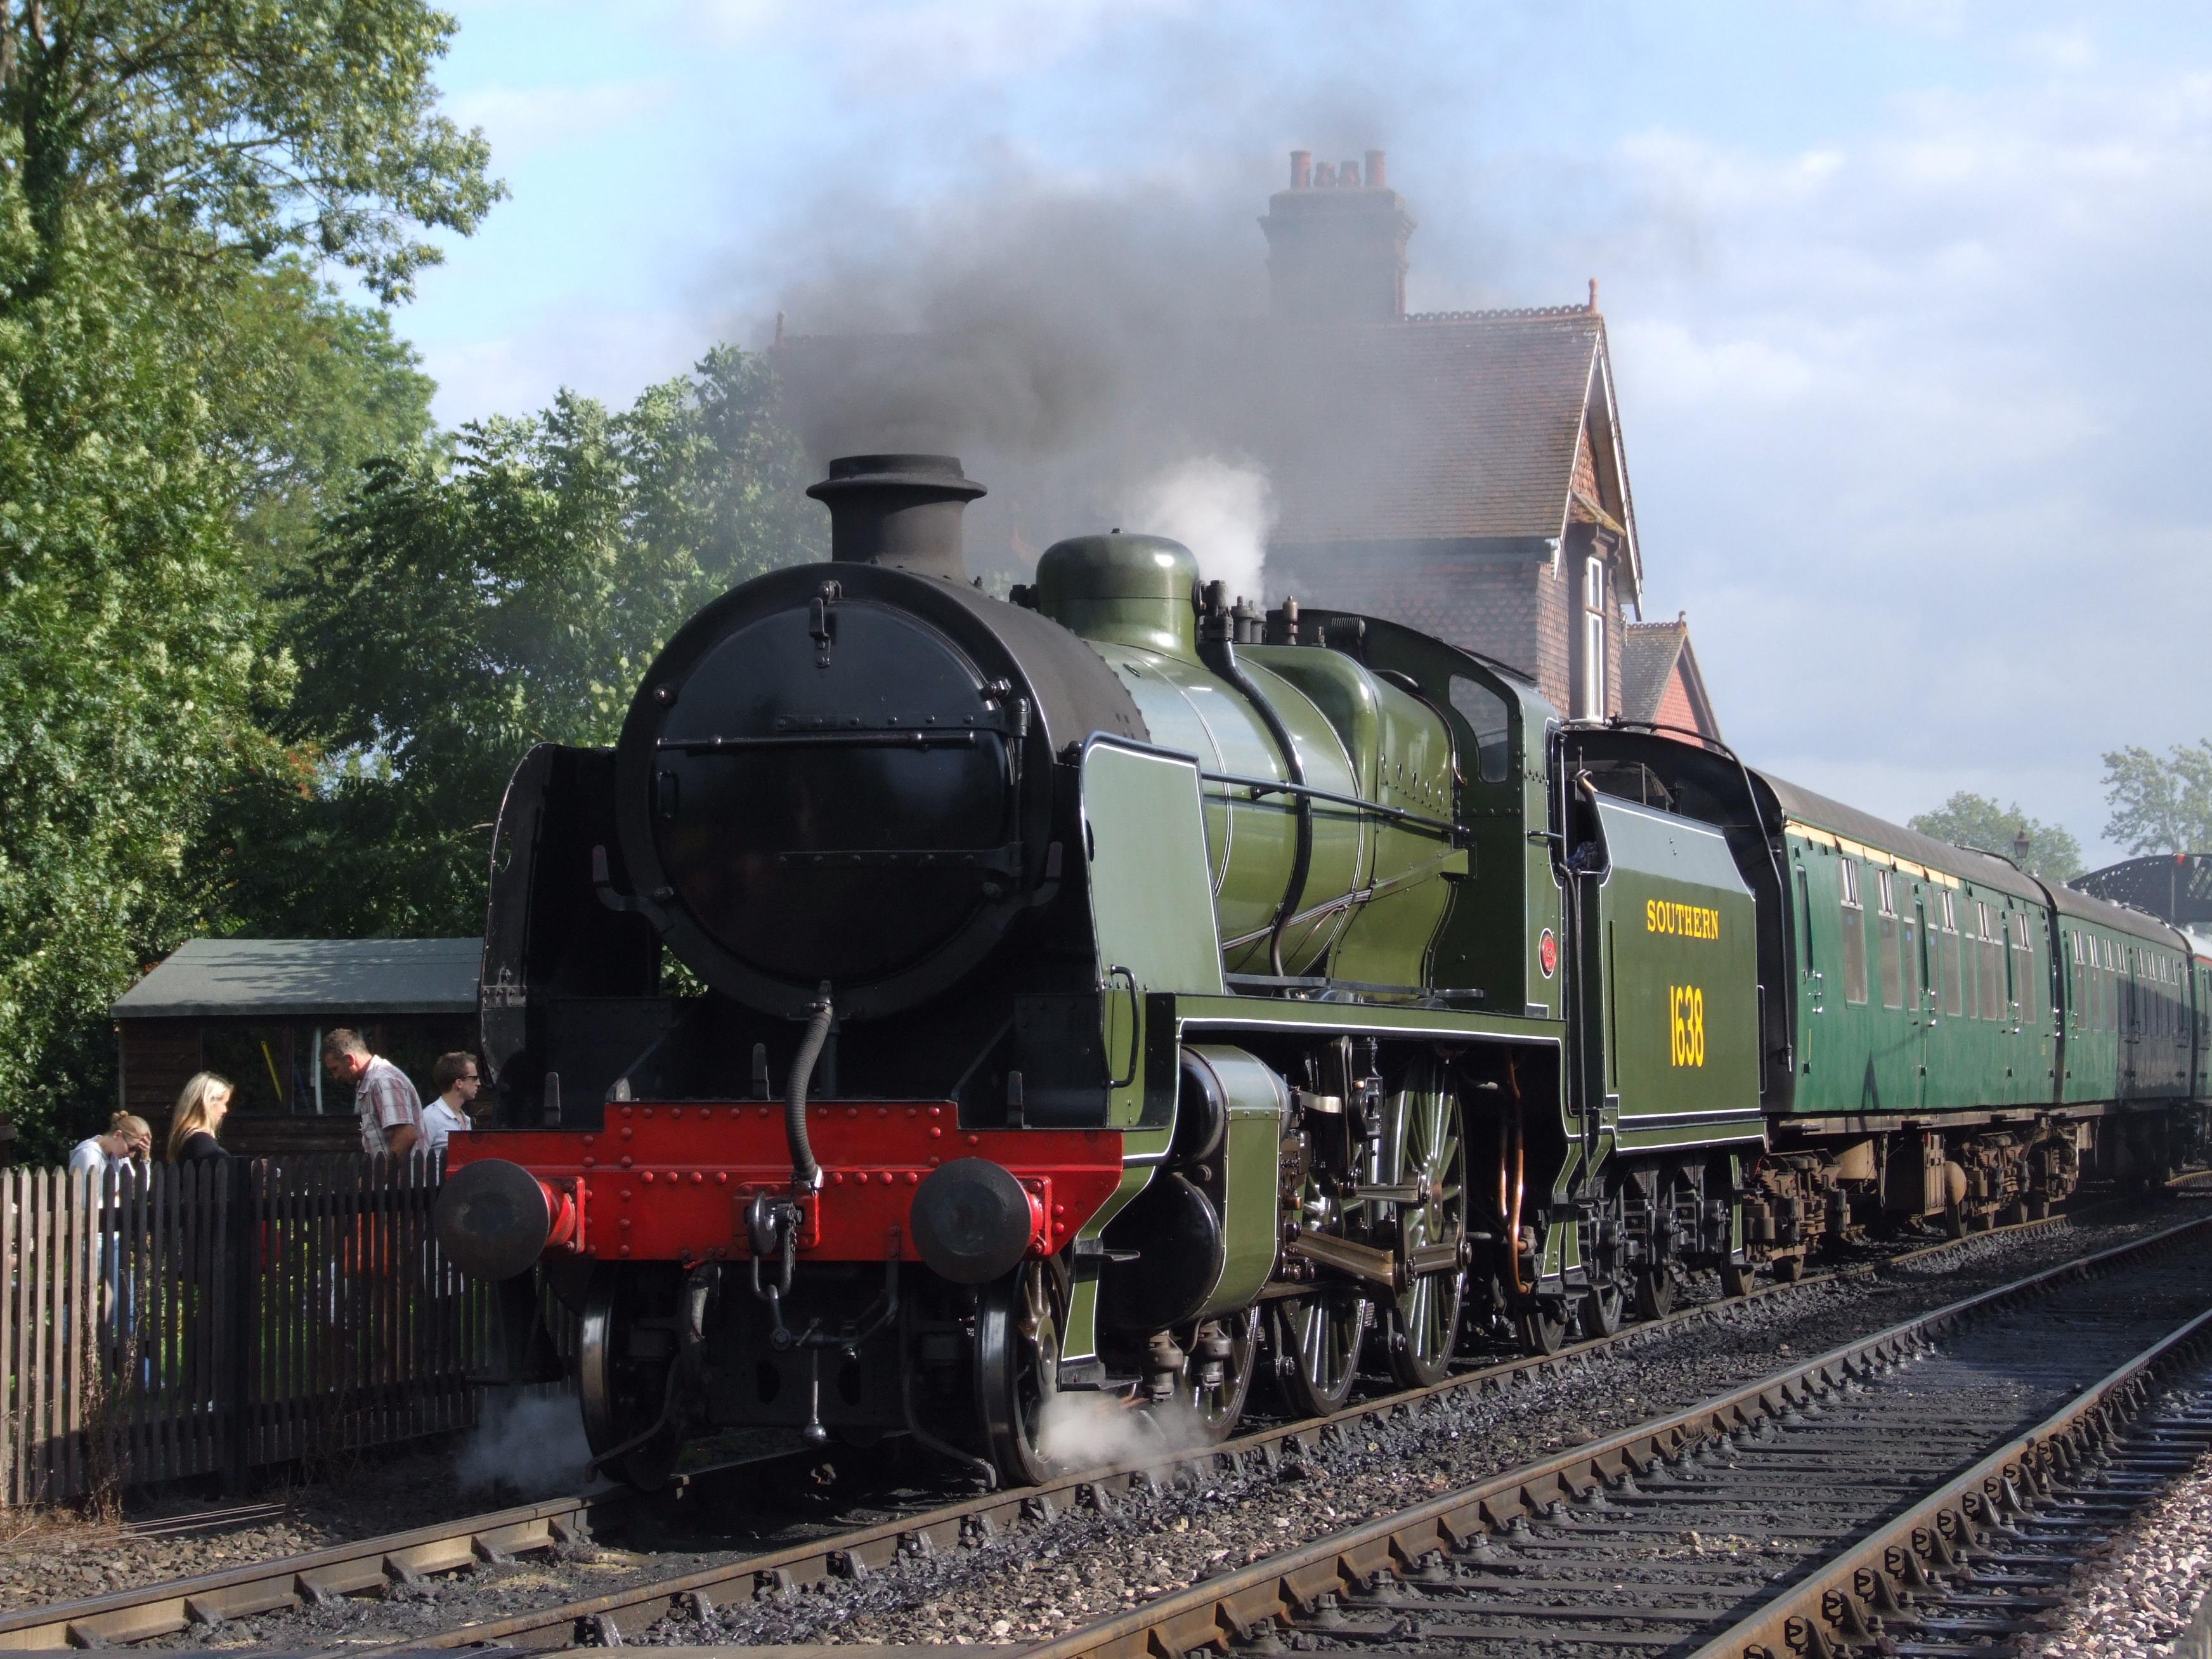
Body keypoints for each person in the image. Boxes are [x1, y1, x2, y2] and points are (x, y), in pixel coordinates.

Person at [322, 1028, 423, 1158]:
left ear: (349, 1059)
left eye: (335, 1069)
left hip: (402, 1177)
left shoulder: (382, 1081)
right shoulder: (369, 1081)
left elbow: (406, 1135)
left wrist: (382, 1175)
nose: (335, 1076)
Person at [419, 1053, 480, 1157]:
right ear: (459, 1083)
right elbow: (417, 1160)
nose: (478, 1083)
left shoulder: (467, 1120)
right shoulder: (430, 1117)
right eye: (474, 1078)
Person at [166, 1072, 234, 1162]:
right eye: (224, 1103)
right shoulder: (201, 1141)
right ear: (209, 1102)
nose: (225, 1110)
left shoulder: (187, 1138)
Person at [69, 1112, 152, 1176]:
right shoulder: (89, 1154)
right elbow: (87, 1196)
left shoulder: (119, 1156)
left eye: (137, 1150)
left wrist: (145, 1157)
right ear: (117, 1135)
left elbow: (138, 1191)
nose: (132, 1155)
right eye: (131, 1148)